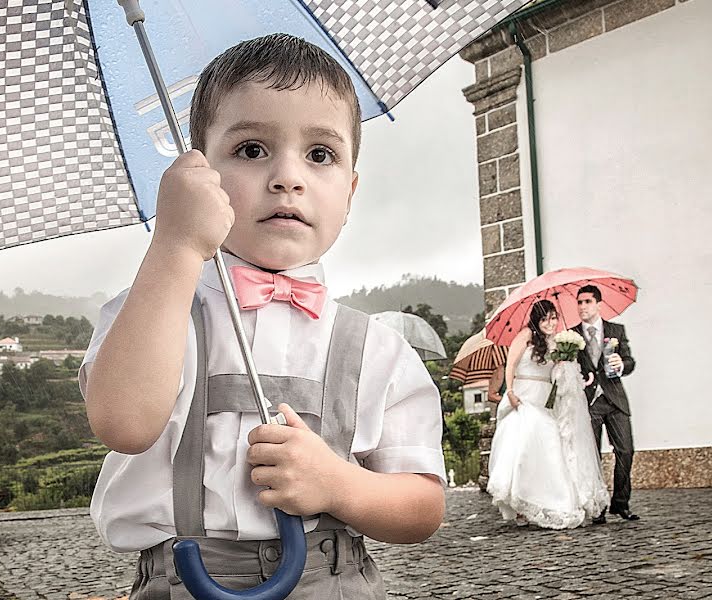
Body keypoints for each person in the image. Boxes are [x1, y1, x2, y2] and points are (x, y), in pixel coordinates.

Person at [80, 34, 446, 599]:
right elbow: (123, 424)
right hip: (181, 584)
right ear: (200, 176)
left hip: (332, 582)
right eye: (251, 149)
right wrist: (175, 244)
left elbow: (422, 508)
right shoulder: (154, 310)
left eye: (319, 154)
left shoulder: (378, 349)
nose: (287, 177)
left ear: (349, 191)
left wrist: (339, 485)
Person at [487, 300, 608, 529]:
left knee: (549, 447)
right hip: (523, 396)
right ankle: (520, 501)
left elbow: (559, 377)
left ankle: (548, 499)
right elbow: (510, 365)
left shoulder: (557, 342)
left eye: (553, 318)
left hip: (545, 399)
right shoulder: (524, 336)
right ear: (536, 320)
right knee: (523, 447)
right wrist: (510, 391)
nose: (550, 323)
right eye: (545, 319)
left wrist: (565, 364)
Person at [573, 285, 639, 522]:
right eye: (579, 302)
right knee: (592, 456)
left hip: (615, 399)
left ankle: (620, 503)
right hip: (588, 402)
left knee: (625, 450)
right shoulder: (571, 336)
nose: (582, 307)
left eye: (587, 302)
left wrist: (621, 364)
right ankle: (597, 506)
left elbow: (630, 362)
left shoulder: (616, 330)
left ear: (598, 304)